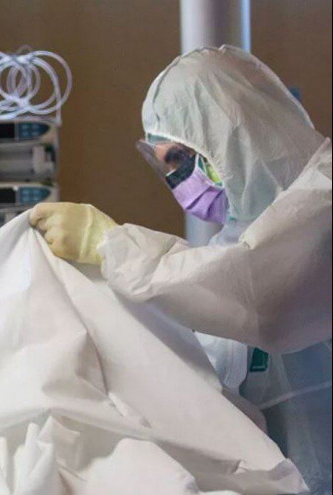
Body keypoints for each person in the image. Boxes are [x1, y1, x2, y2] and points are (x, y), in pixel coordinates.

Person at [31, 45, 331, 494]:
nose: (177, 181)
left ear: (230, 134)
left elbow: (264, 298)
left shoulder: (323, 201)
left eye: (178, 159)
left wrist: (108, 246)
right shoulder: (228, 250)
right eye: (165, 165)